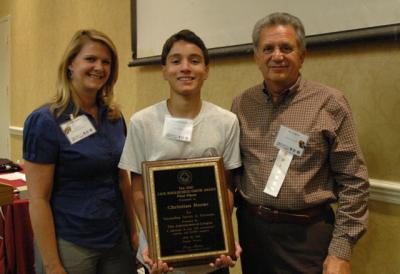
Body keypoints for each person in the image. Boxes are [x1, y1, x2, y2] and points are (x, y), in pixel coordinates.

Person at [231, 12, 369, 274]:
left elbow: (354, 182)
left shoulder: (330, 103)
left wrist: (341, 251)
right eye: (268, 48)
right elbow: (234, 170)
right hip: (253, 234)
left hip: (307, 238)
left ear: (302, 56)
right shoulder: (241, 104)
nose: (277, 56)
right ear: (256, 57)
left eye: (286, 48)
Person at [118, 29, 241, 274]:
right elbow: (138, 189)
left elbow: (227, 187)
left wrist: (221, 236)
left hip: (212, 259)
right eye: (176, 61)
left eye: (194, 61)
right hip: (159, 260)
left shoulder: (227, 122)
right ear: (164, 70)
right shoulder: (142, 122)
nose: (185, 67)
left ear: (206, 70)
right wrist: (154, 243)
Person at [23, 29, 138, 274]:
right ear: (70, 65)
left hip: (116, 241)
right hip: (70, 244)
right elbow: (38, 199)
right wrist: (53, 266)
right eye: (91, 59)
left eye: (106, 62)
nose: (99, 67)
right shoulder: (46, 121)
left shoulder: (114, 118)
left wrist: (134, 234)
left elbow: (122, 181)